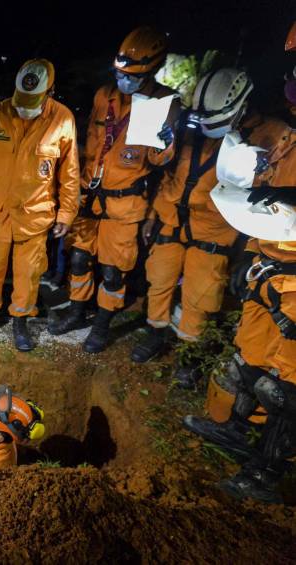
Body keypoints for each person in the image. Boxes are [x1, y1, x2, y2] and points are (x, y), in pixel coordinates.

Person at [183, 29, 296, 503]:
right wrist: (250, 259)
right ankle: (236, 431)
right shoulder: (280, 137)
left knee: (285, 385)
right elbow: (260, 207)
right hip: (270, 264)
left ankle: (269, 474)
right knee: (249, 357)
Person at [49, 27, 178, 354]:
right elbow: (90, 147)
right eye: (120, 73)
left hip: (126, 204)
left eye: (131, 75)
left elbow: (160, 162)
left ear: (151, 72)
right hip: (90, 198)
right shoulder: (103, 96)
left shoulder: (163, 104)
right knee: (78, 259)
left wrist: (165, 143)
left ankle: (102, 326)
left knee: (112, 271)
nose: (124, 80)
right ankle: (77, 311)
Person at [131, 69, 256, 386]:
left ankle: (190, 354)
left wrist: (247, 253)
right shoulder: (186, 128)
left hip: (212, 233)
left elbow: (256, 205)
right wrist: (150, 217)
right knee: (158, 279)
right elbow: (161, 171)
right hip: (171, 220)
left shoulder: (252, 144)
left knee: (200, 297)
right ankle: (155, 334)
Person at [0, 59, 81, 351]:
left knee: (28, 274)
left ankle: (20, 322)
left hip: (35, 215)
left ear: (50, 92)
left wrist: (67, 212)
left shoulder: (63, 119)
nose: (24, 106)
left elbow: (70, 172)